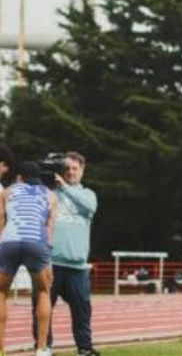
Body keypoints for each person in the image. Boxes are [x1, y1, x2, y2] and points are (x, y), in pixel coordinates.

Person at [32, 152, 99, 356]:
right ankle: (44, 347)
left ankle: (84, 349)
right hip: (50, 263)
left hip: (77, 266)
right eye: (67, 168)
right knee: (42, 310)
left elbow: (90, 207)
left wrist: (65, 187)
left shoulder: (88, 194)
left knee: (82, 312)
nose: (70, 172)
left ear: (82, 170)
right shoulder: (51, 192)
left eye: (74, 169)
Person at [0, 161, 58, 356]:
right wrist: (46, 256)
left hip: (9, 241)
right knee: (43, 291)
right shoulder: (50, 195)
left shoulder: (6, 192)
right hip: (37, 242)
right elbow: (50, 229)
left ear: (19, 177)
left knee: (1, 292)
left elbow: (1, 223)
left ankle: (0, 349)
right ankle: (41, 349)